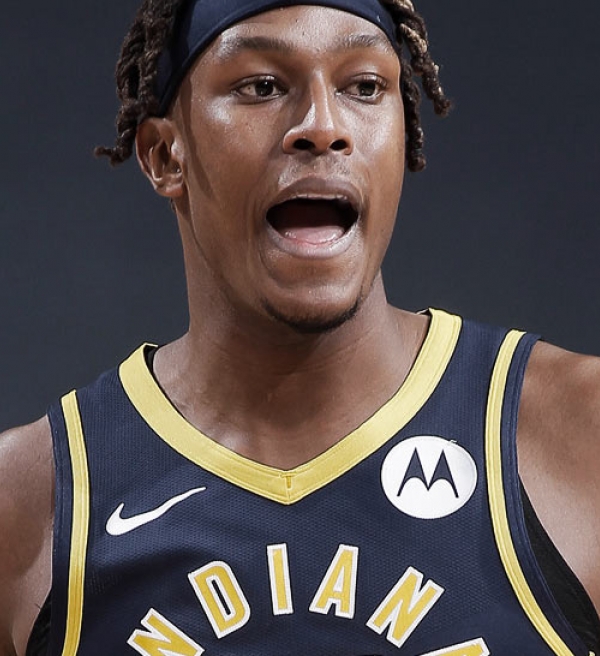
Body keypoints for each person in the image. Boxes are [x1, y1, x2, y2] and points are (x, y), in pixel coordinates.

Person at [1, 0, 599, 654]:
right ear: (165, 155)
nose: (322, 125)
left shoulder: (576, 435)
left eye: (363, 86)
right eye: (261, 86)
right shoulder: (32, 504)